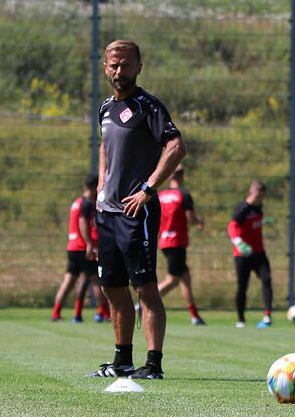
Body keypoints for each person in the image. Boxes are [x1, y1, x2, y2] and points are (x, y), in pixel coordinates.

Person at [89, 40, 186, 380]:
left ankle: (154, 364)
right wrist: (101, 190)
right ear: (105, 68)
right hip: (107, 213)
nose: (119, 71)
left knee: (144, 287)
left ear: (139, 67)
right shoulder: (104, 108)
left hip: (135, 213)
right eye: (114, 65)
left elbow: (176, 146)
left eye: (126, 65)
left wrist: (148, 188)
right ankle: (122, 361)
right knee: (112, 288)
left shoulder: (148, 107)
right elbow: (105, 150)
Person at [51, 174, 110, 323]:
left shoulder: (76, 202)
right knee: (97, 281)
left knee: (69, 281)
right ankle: (104, 312)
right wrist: (90, 244)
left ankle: (57, 313)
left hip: (72, 247)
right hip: (83, 248)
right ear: (94, 187)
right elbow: (83, 222)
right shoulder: (86, 204)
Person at [157, 164, 206, 326]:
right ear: (182, 176)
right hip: (177, 242)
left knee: (185, 277)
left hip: (164, 240)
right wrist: (199, 222)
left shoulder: (161, 195)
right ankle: (143, 304)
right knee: (172, 280)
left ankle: (194, 316)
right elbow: (190, 219)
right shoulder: (183, 195)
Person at [227, 181, 273, 329]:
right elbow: (232, 226)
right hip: (243, 254)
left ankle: (267, 316)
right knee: (242, 286)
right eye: (262, 196)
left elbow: (251, 225)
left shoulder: (259, 208)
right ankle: (241, 319)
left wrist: (262, 222)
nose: (263, 199)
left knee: (266, 280)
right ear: (257, 193)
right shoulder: (243, 208)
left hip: (259, 253)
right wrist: (239, 243)